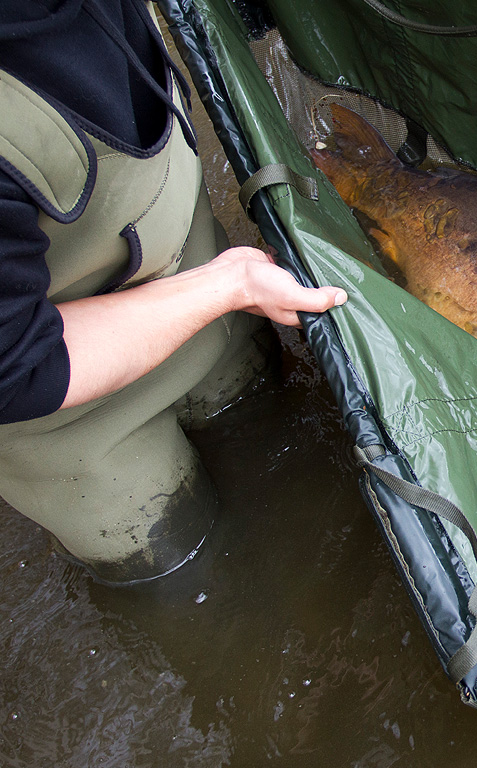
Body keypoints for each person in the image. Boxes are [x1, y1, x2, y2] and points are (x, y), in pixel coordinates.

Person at [0, 0, 348, 584]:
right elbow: (14, 366)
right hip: (69, 414)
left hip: (195, 276)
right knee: (189, 579)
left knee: (273, 426)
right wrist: (227, 284)